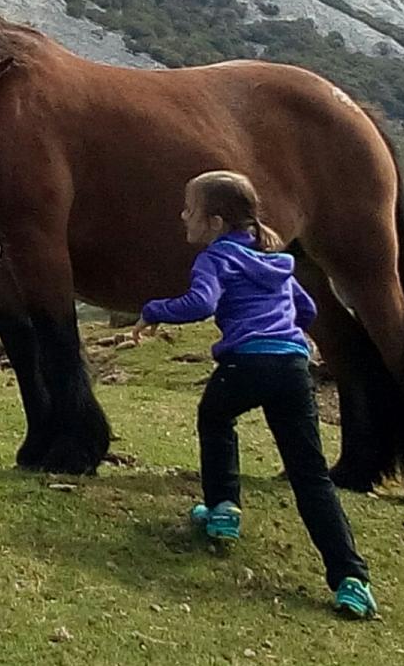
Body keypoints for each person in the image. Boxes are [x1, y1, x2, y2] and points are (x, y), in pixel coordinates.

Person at [133, 170, 376, 618]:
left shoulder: (215, 259)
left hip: (245, 364)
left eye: (190, 209)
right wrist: (281, 331)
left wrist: (153, 311)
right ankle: (351, 578)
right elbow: (307, 309)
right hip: (291, 367)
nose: (183, 215)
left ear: (216, 223)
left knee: (214, 417)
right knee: (311, 476)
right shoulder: (276, 259)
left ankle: (223, 507)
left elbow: (201, 304)